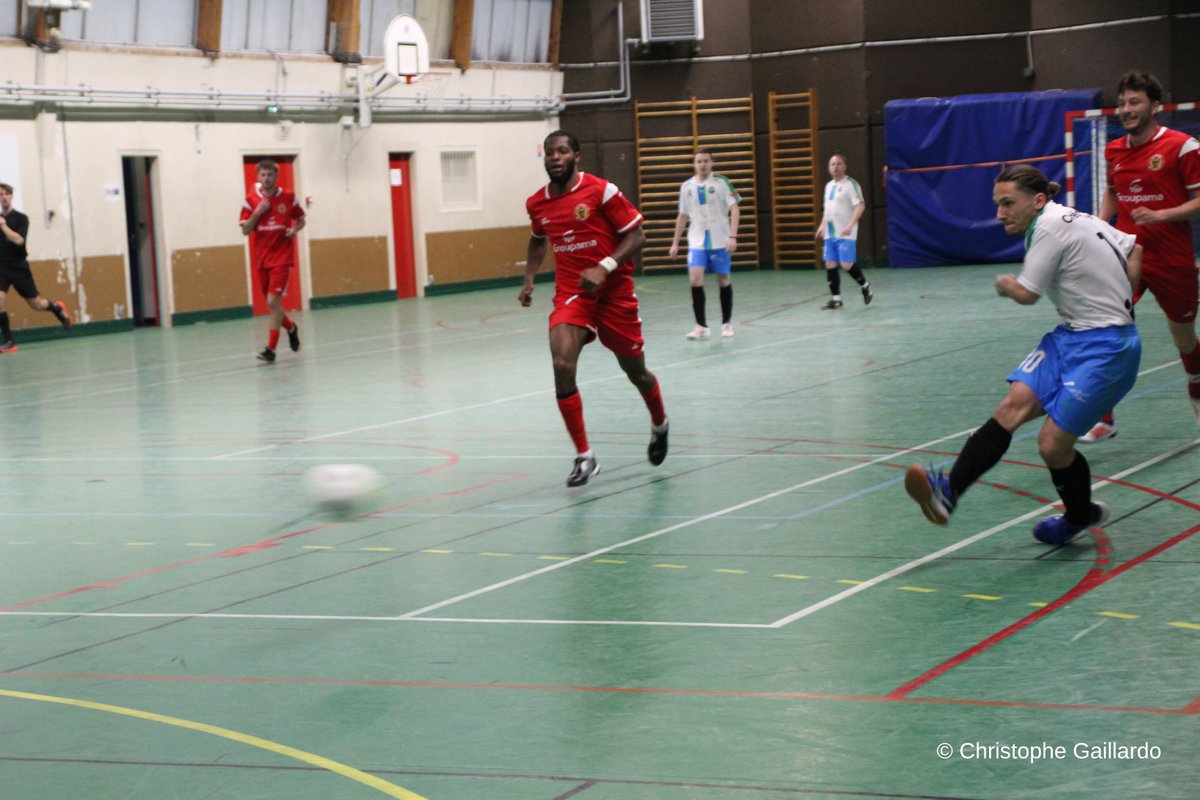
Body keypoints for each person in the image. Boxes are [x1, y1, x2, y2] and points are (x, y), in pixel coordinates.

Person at [905, 164, 1142, 545]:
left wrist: (1005, 285)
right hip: (1070, 337)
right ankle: (947, 494)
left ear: (1037, 200)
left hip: (1108, 349)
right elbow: (1134, 248)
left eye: (1008, 203)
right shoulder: (1071, 217)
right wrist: (1123, 295)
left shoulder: (1048, 227)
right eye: (998, 204)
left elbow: (1028, 294)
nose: (1000, 214)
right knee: (1011, 407)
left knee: (1051, 445)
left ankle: (1079, 516)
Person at [520, 130, 669, 487]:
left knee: (636, 372)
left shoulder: (602, 191)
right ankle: (585, 456)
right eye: (550, 152)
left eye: (562, 151)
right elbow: (538, 239)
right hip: (573, 293)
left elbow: (637, 235)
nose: (555, 157)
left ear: (576, 156)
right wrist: (528, 279)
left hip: (614, 292)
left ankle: (660, 423)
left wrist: (605, 266)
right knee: (561, 363)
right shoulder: (537, 203)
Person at [1081, 70, 1200, 442]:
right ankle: (1104, 417)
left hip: (1173, 259)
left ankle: (1197, 386)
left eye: (1135, 101)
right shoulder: (1114, 150)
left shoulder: (1183, 147)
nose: (1127, 109)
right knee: (1106, 328)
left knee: (1184, 338)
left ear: (1155, 106)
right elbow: (1113, 192)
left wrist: (1162, 215)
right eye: (1122, 103)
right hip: (1127, 255)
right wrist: (1098, 223)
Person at [667, 149, 740, 338]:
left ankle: (726, 323)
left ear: (712, 163)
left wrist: (732, 236)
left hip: (720, 240)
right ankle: (701, 326)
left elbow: (735, 209)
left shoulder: (722, 182)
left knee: (723, 279)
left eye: (706, 161)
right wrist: (675, 243)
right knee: (695, 279)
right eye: (699, 161)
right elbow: (683, 215)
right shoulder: (687, 187)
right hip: (696, 241)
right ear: (694, 164)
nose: (702, 164)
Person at [239, 160, 304, 363]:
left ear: (276, 176)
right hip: (262, 259)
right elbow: (245, 230)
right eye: (263, 175)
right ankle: (291, 328)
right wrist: (258, 212)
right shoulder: (250, 200)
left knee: (272, 302)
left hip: (282, 258)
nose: (266, 178)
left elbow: (301, 219)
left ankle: (271, 349)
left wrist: (294, 230)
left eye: (270, 175)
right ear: (258, 177)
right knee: (273, 305)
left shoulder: (289, 198)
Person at [0, 182, 72, 353]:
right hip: (1, 268)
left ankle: (57, 309)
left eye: (6, 194)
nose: (3, 197)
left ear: (11, 196)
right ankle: (9, 341)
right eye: (0, 195)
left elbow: (19, 240)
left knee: (37, 304)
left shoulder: (21, 218)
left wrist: (3, 226)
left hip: (19, 268)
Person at [814, 153, 873, 309]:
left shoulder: (851, 185)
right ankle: (836, 299)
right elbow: (828, 210)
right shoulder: (828, 186)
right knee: (830, 263)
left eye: (839, 164)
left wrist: (851, 224)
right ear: (829, 167)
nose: (835, 167)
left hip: (846, 232)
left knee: (846, 264)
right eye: (832, 164)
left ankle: (866, 285)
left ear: (845, 166)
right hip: (830, 233)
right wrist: (822, 225)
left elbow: (860, 205)